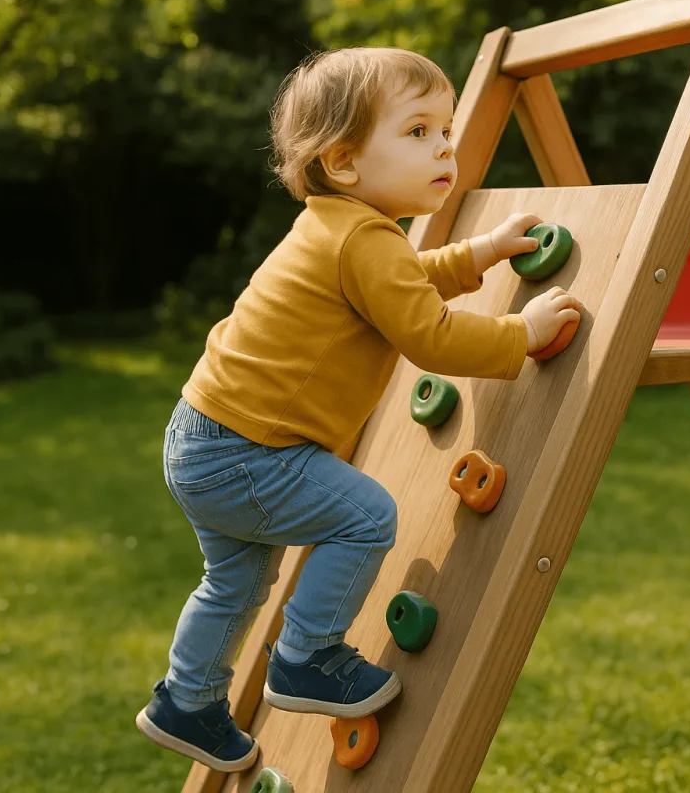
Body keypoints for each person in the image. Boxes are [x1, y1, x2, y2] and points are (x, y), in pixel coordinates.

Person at [135, 46, 582, 772]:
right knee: (365, 516)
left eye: (445, 129)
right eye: (416, 132)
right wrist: (519, 334)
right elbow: (426, 332)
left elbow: (406, 283)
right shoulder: (363, 236)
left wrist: (480, 253)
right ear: (344, 162)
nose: (444, 145)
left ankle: (186, 703)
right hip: (248, 449)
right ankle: (307, 657)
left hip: (203, 438)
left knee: (235, 583)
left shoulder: (346, 229)